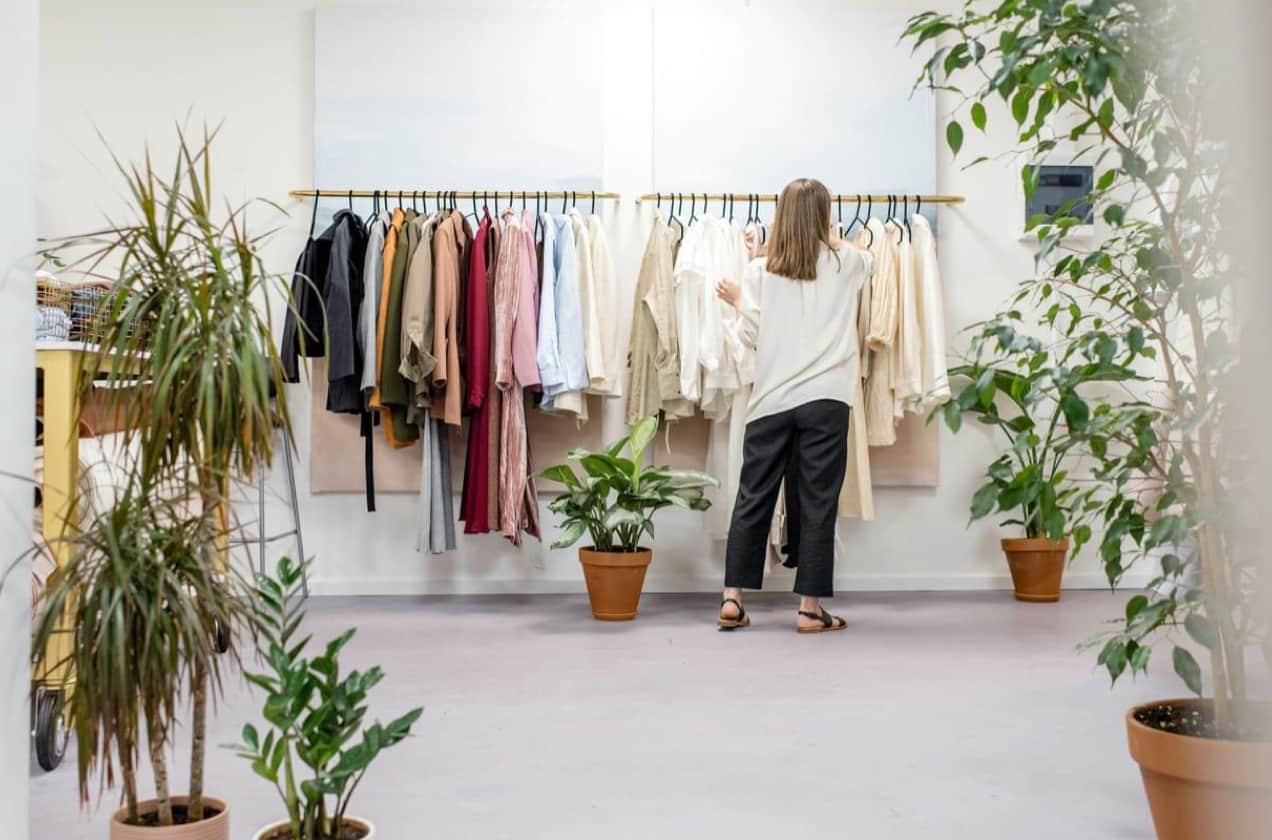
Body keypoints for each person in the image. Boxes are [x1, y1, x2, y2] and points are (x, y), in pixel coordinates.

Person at [714, 178, 871, 633]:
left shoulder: (760, 272)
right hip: (827, 398)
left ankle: (731, 600)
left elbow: (751, 335)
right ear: (826, 217)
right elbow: (868, 260)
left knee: (752, 496)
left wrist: (743, 298)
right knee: (817, 502)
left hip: (771, 399)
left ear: (779, 216)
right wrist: (825, 233)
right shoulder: (848, 262)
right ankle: (808, 609)